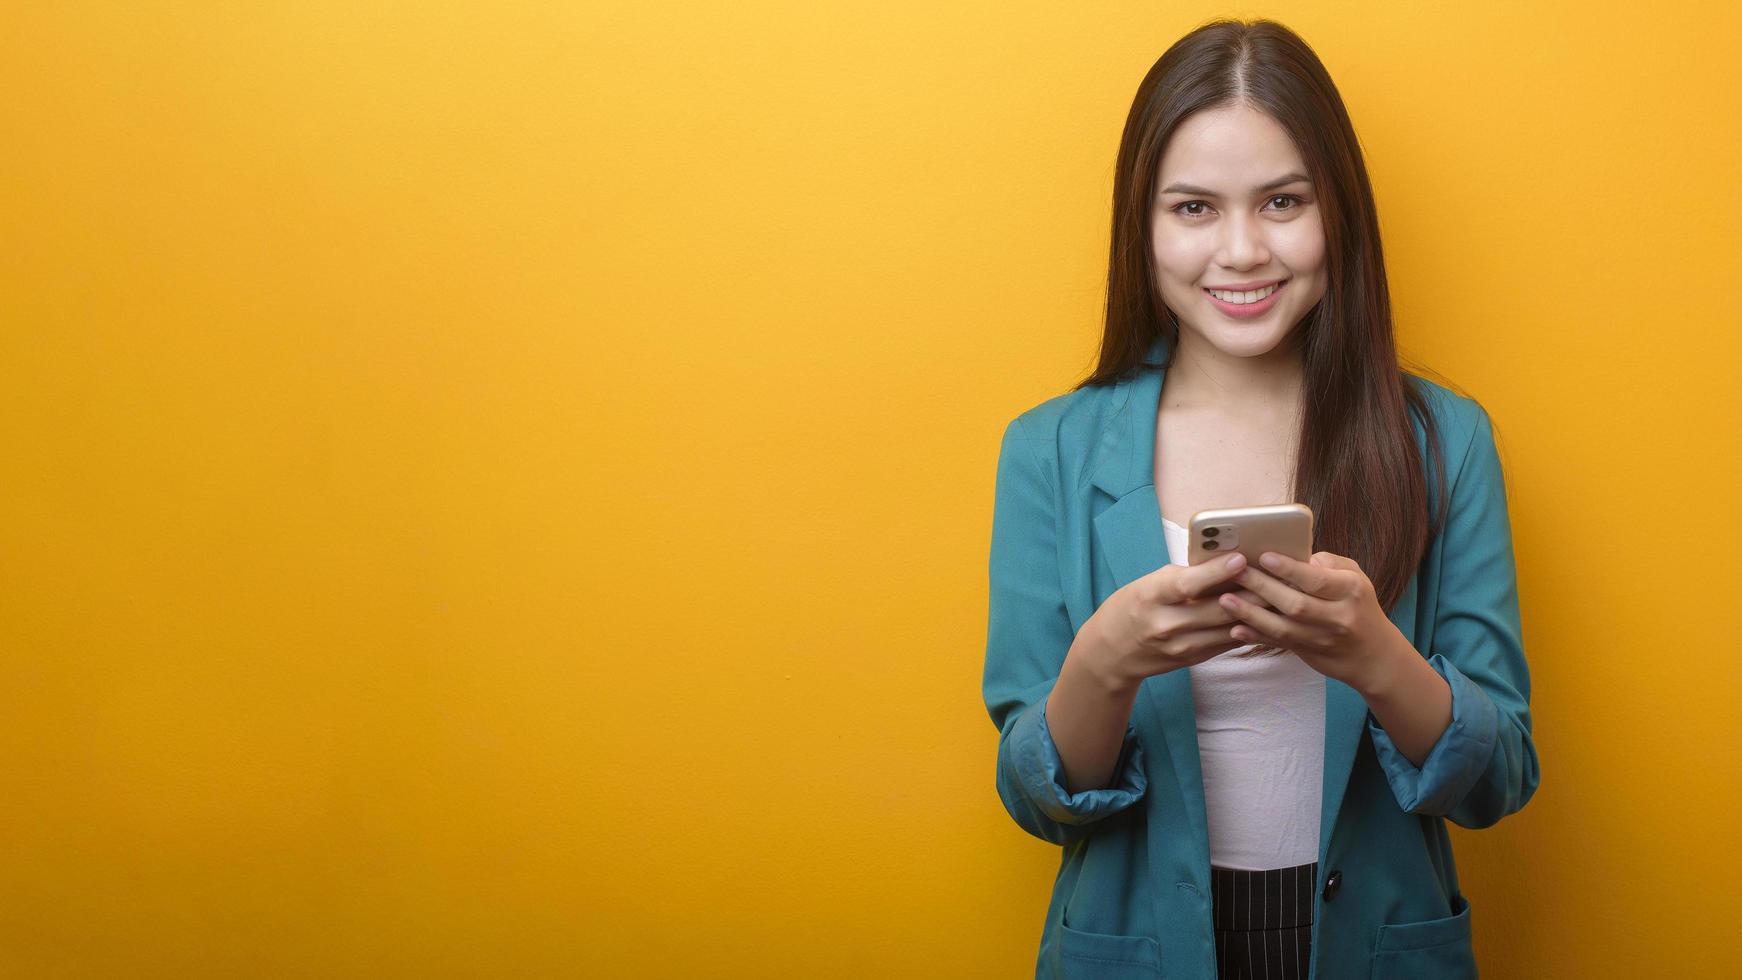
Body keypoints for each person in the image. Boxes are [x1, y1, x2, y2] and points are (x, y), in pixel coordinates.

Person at [980, 18, 1539, 980]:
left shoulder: (1445, 441)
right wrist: (1105, 666)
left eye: (1282, 201)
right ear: (1141, 225)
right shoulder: (1050, 451)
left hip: (1377, 945)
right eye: (1193, 208)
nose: (1241, 251)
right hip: (1137, 949)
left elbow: (1498, 781)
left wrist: (1375, 656)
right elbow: (1038, 803)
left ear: (1340, 214)